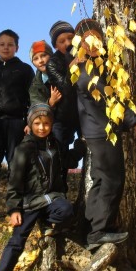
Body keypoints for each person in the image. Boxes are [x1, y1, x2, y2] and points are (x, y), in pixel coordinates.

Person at [0, 104, 74, 271]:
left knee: (68, 211)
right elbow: (14, 182)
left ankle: (47, 224)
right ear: (30, 124)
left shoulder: (55, 145)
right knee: (17, 242)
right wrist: (14, 209)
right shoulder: (23, 149)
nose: (42, 127)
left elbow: (68, 161)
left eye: (46, 123)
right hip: (30, 202)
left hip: (51, 199)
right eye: (37, 123)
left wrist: (81, 144)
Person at [74, 18, 136, 250]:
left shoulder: (94, 65)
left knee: (100, 179)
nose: (93, 43)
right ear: (80, 43)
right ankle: (99, 230)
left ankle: (92, 227)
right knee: (112, 179)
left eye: (97, 38)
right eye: (87, 39)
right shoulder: (86, 70)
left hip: (97, 130)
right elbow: (109, 100)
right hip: (101, 131)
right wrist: (135, 121)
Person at [0, 29, 35, 222]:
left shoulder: (25, 70)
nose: (6, 48)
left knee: (16, 166)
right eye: (2, 44)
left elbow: (32, 97)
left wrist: (29, 120)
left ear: (17, 48)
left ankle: (16, 208)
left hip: (17, 123)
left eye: (10, 44)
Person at [46, 21, 84, 186]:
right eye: (62, 41)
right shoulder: (52, 63)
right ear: (55, 45)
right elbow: (65, 89)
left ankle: (74, 160)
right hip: (62, 116)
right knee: (59, 154)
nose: (68, 43)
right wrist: (71, 69)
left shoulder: (85, 53)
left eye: (70, 38)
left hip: (83, 113)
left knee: (87, 145)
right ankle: (58, 190)